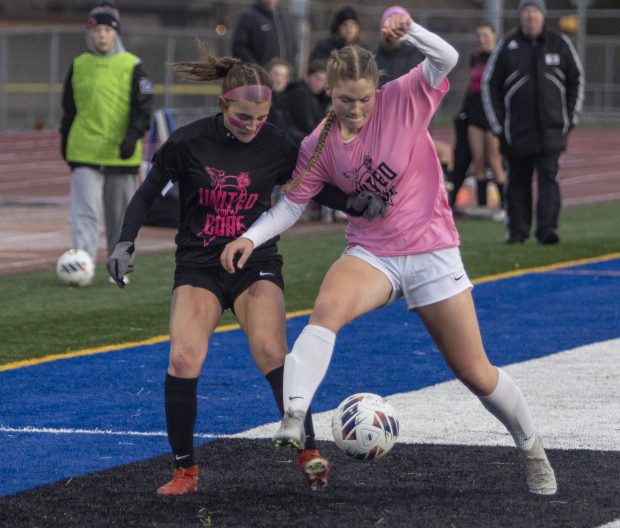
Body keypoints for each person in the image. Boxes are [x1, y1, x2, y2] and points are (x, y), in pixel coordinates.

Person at [221, 12, 558, 496]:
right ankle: (294, 414)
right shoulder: (320, 143)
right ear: (329, 94)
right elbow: (292, 204)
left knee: (475, 372)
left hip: (432, 251)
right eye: (344, 100)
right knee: (325, 310)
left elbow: (447, 57)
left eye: (362, 99)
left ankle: (531, 448)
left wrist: (410, 28)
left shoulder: (402, 98)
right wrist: (250, 237)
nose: (355, 109)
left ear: (376, 91)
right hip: (372, 254)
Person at [106, 45, 385, 495]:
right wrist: (123, 242)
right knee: (183, 358)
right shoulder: (189, 141)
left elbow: (313, 189)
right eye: (242, 117)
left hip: (255, 261)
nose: (253, 126)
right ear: (222, 104)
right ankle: (185, 470)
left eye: (260, 117)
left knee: (272, 352)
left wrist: (354, 203)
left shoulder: (278, 143)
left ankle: (309, 451)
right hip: (199, 265)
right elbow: (146, 194)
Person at [59, 5, 153, 281]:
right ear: (90, 33)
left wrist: (133, 135)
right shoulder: (78, 64)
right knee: (84, 214)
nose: (102, 36)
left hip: (120, 153)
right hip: (84, 149)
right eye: (97, 30)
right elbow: (69, 108)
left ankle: (119, 269)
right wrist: (65, 142)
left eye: (107, 30)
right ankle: (81, 268)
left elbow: (144, 107)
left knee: (120, 217)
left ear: (115, 33)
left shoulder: (133, 66)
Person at [482, 0, 584, 244]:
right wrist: (498, 124)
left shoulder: (560, 43)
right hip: (516, 131)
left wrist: (569, 118)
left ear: (543, 15)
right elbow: (490, 84)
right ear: (520, 16)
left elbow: (576, 80)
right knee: (517, 181)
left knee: (549, 178)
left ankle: (548, 230)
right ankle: (517, 232)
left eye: (535, 11)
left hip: (551, 130)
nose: (530, 16)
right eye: (526, 11)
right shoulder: (507, 46)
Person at [466, 22, 505, 215]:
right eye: (479, 35)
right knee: (478, 161)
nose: (483, 39)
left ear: (494, 35)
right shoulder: (475, 57)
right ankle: (482, 206)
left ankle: (505, 207)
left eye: (486, 35)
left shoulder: (500, 56)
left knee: (494, 160)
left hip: (492, 114)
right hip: (475, 112)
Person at [231, 0, 297, 70]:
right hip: (259, 77)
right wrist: (256, 69)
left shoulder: (286, 18)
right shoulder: (249, 16)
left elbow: (294, 47)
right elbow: (239, 47)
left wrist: (291, 70)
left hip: (283, 78)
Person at [375, 5, 424, 87]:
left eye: (399, 26)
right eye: (390, 24)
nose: (394, 29)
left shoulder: (420, 58)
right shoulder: (373, 59)